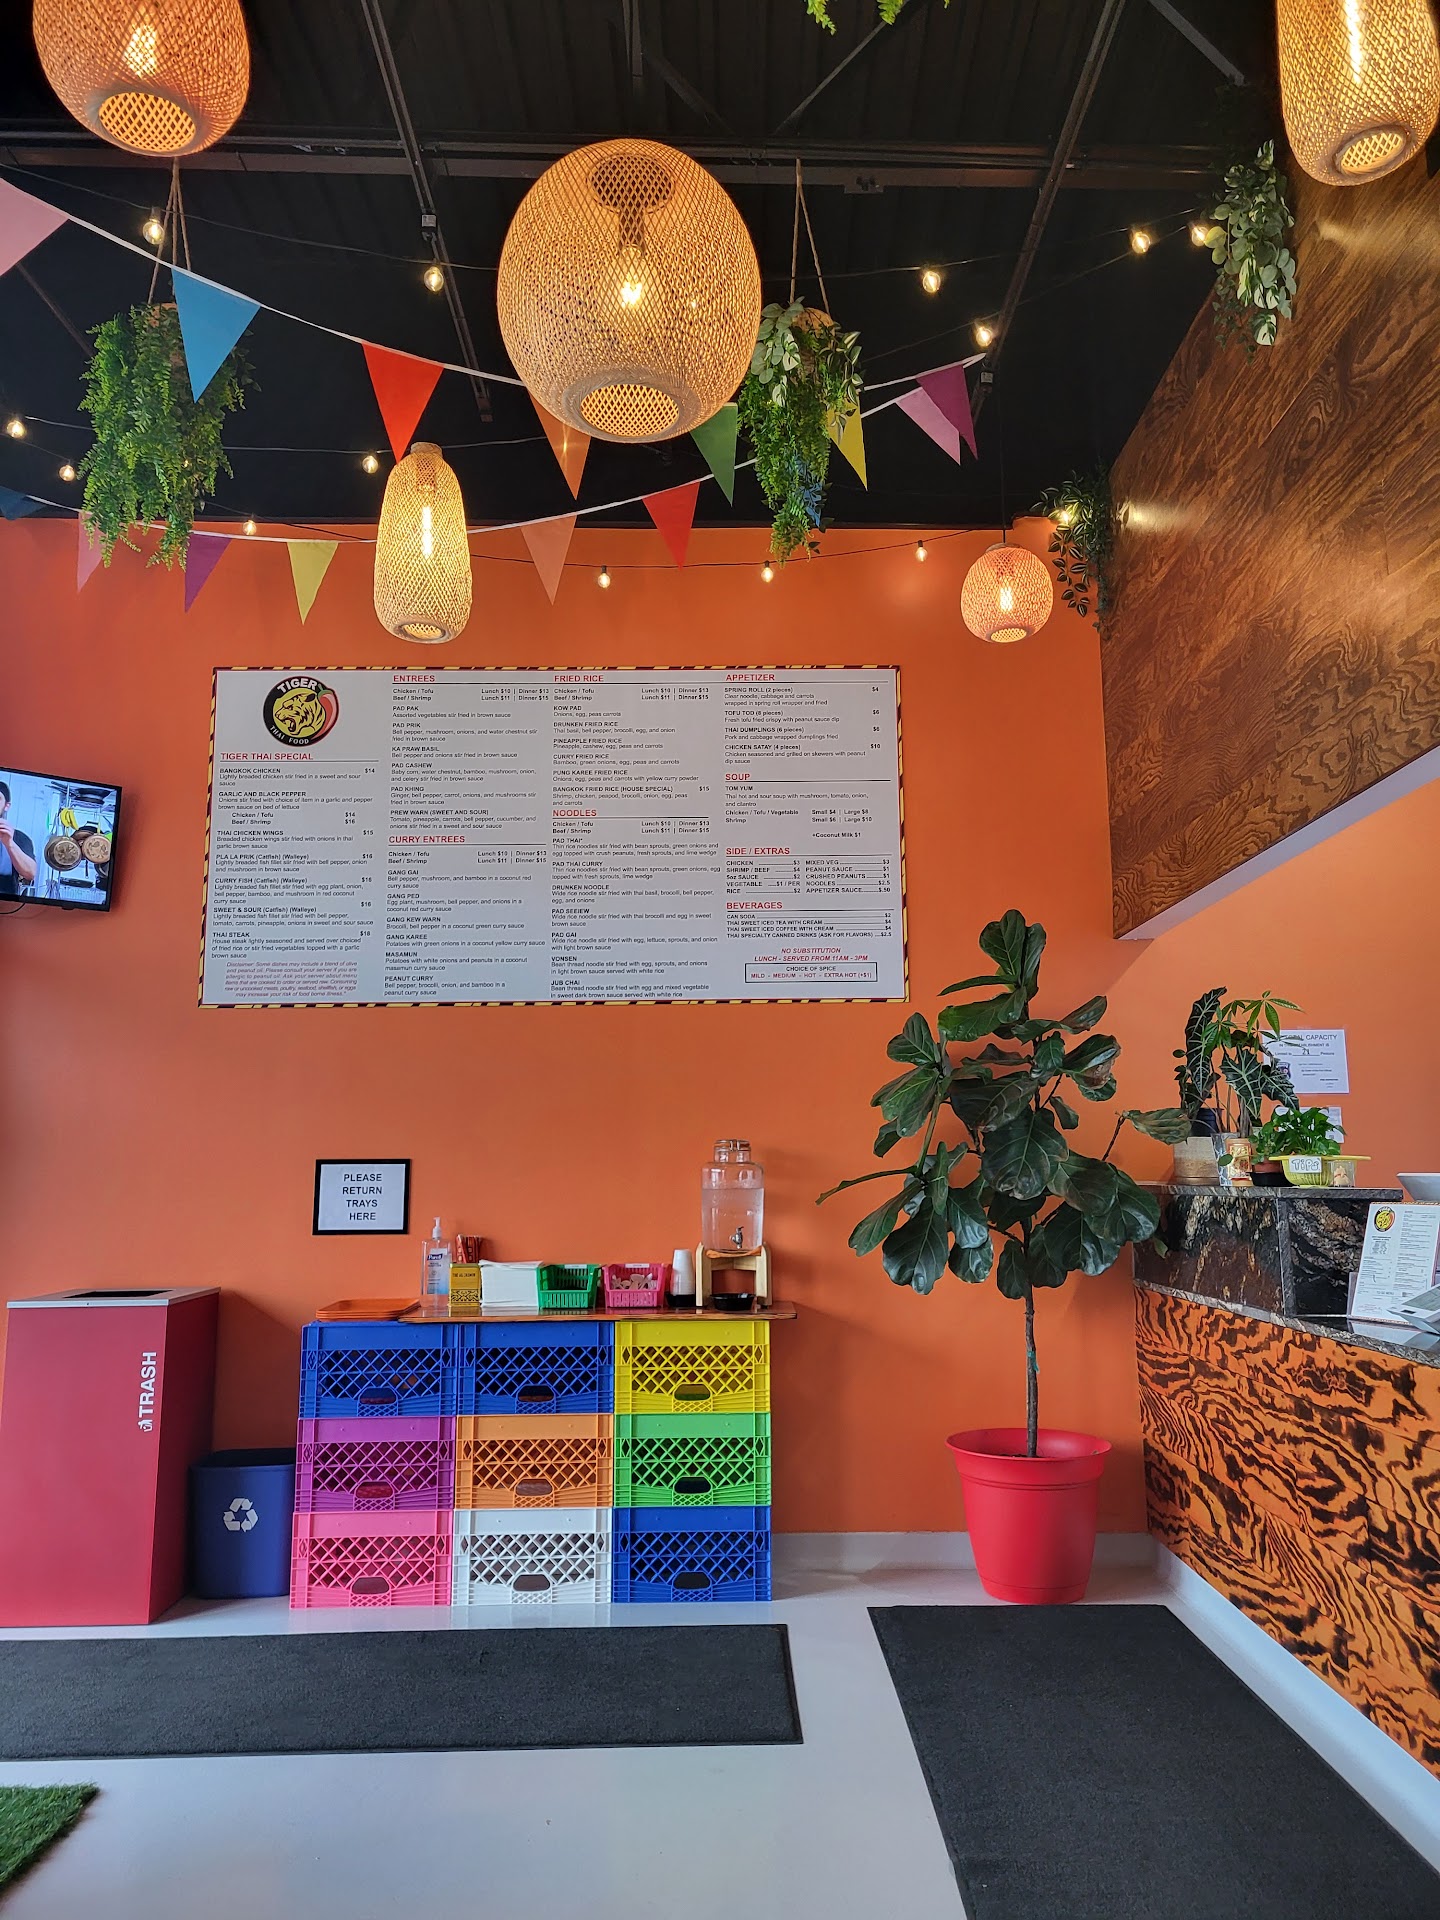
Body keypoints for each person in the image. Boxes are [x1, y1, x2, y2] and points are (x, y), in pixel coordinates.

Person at [0, 780, 37, 898]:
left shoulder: (19, 838)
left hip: (6, 903)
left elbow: (30, 873)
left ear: (6, 806)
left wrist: (10, 844)